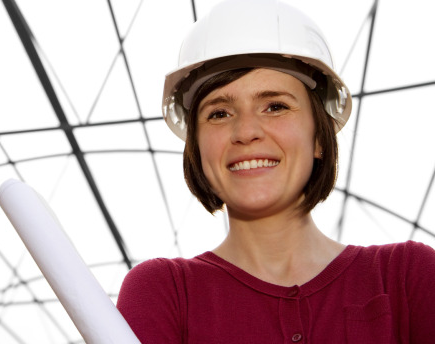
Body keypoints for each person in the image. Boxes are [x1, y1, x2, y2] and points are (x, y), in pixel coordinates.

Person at [116, 0, 435, 342]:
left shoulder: (406, 277)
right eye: (219, 113)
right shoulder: (164, 293)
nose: (245, 132)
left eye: (275, 106)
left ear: (319, 138)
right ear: (197, 149)